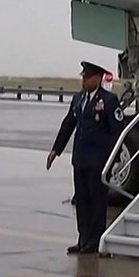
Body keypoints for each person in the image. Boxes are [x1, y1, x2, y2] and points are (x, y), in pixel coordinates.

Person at [47, 61, 125, 255]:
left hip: (99, 160)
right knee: (82, 200)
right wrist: (56, 150)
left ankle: (94, 240)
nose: (84, 80)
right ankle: (82, 238)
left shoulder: (108, 100)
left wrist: (112, 160)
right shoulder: (78, 99)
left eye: (87, 77)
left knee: (97, 201)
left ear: (97, 78)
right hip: (80, 159)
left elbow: (117, 132)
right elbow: (68, 125)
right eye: (83, 76)